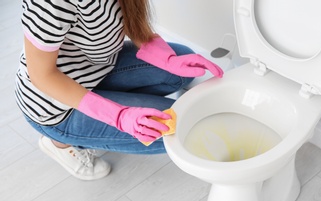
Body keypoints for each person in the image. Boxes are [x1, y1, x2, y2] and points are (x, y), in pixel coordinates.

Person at [15, 0, 223, 180]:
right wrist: (119, 115)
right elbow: (42, 76)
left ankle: (115, 107)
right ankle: (60, 142)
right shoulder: (49, 4)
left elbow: (129, 19)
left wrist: (167, 59)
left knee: (180, 65)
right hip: (56, 105)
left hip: (97, 70)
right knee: (176, 129)